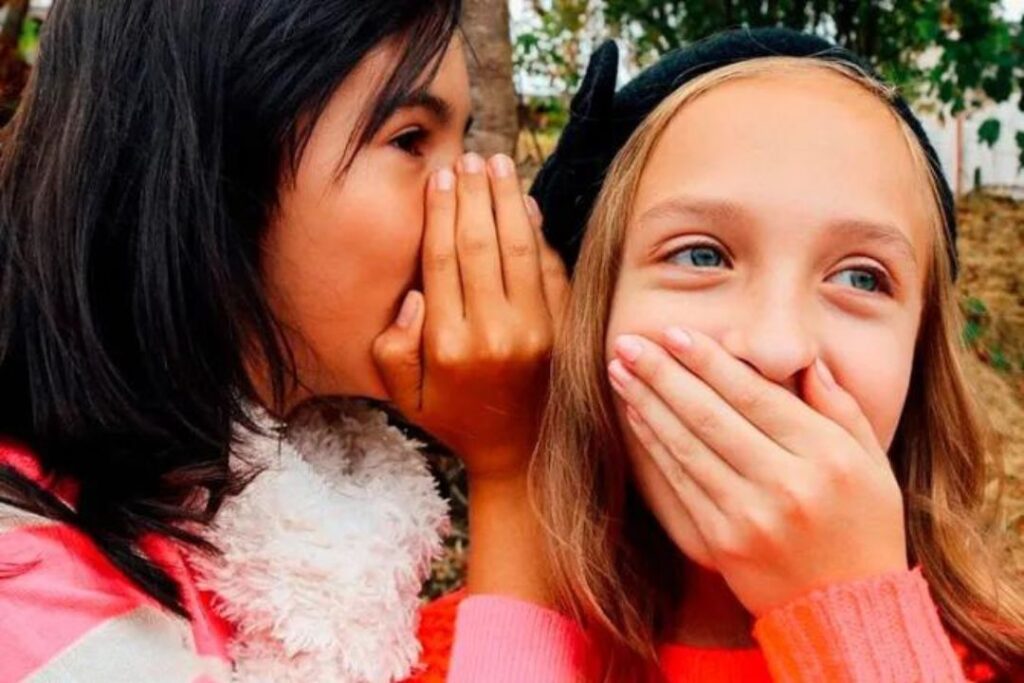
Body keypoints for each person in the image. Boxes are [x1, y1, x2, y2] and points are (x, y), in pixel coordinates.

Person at [433, 28, 1024, 682]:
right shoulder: (435, 653)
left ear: (921, 351)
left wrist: (865, 627)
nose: (775, 348)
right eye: (701, 255)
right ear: (592, 320)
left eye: (860, 276)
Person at [0, 1, 566, 681]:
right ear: (211, 170)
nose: (476, 206)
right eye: (412, 139)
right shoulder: (32, 593)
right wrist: (512, 471)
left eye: (465, 145)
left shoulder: (296, 487)